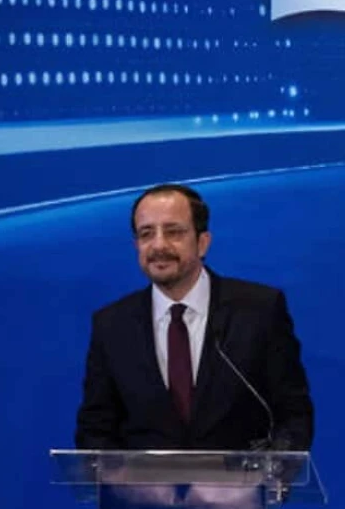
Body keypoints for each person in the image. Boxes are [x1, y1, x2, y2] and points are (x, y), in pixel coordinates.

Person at [75, 184, 314, 451]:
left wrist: (260, 477)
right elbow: (95, 430)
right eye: (146, 234)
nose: (159, 245)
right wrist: (137, 487)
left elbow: (293, 417)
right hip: (144, 493)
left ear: (202, 243)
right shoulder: (112, 325)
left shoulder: (259, 311)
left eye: (174, 232)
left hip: (240, 491)